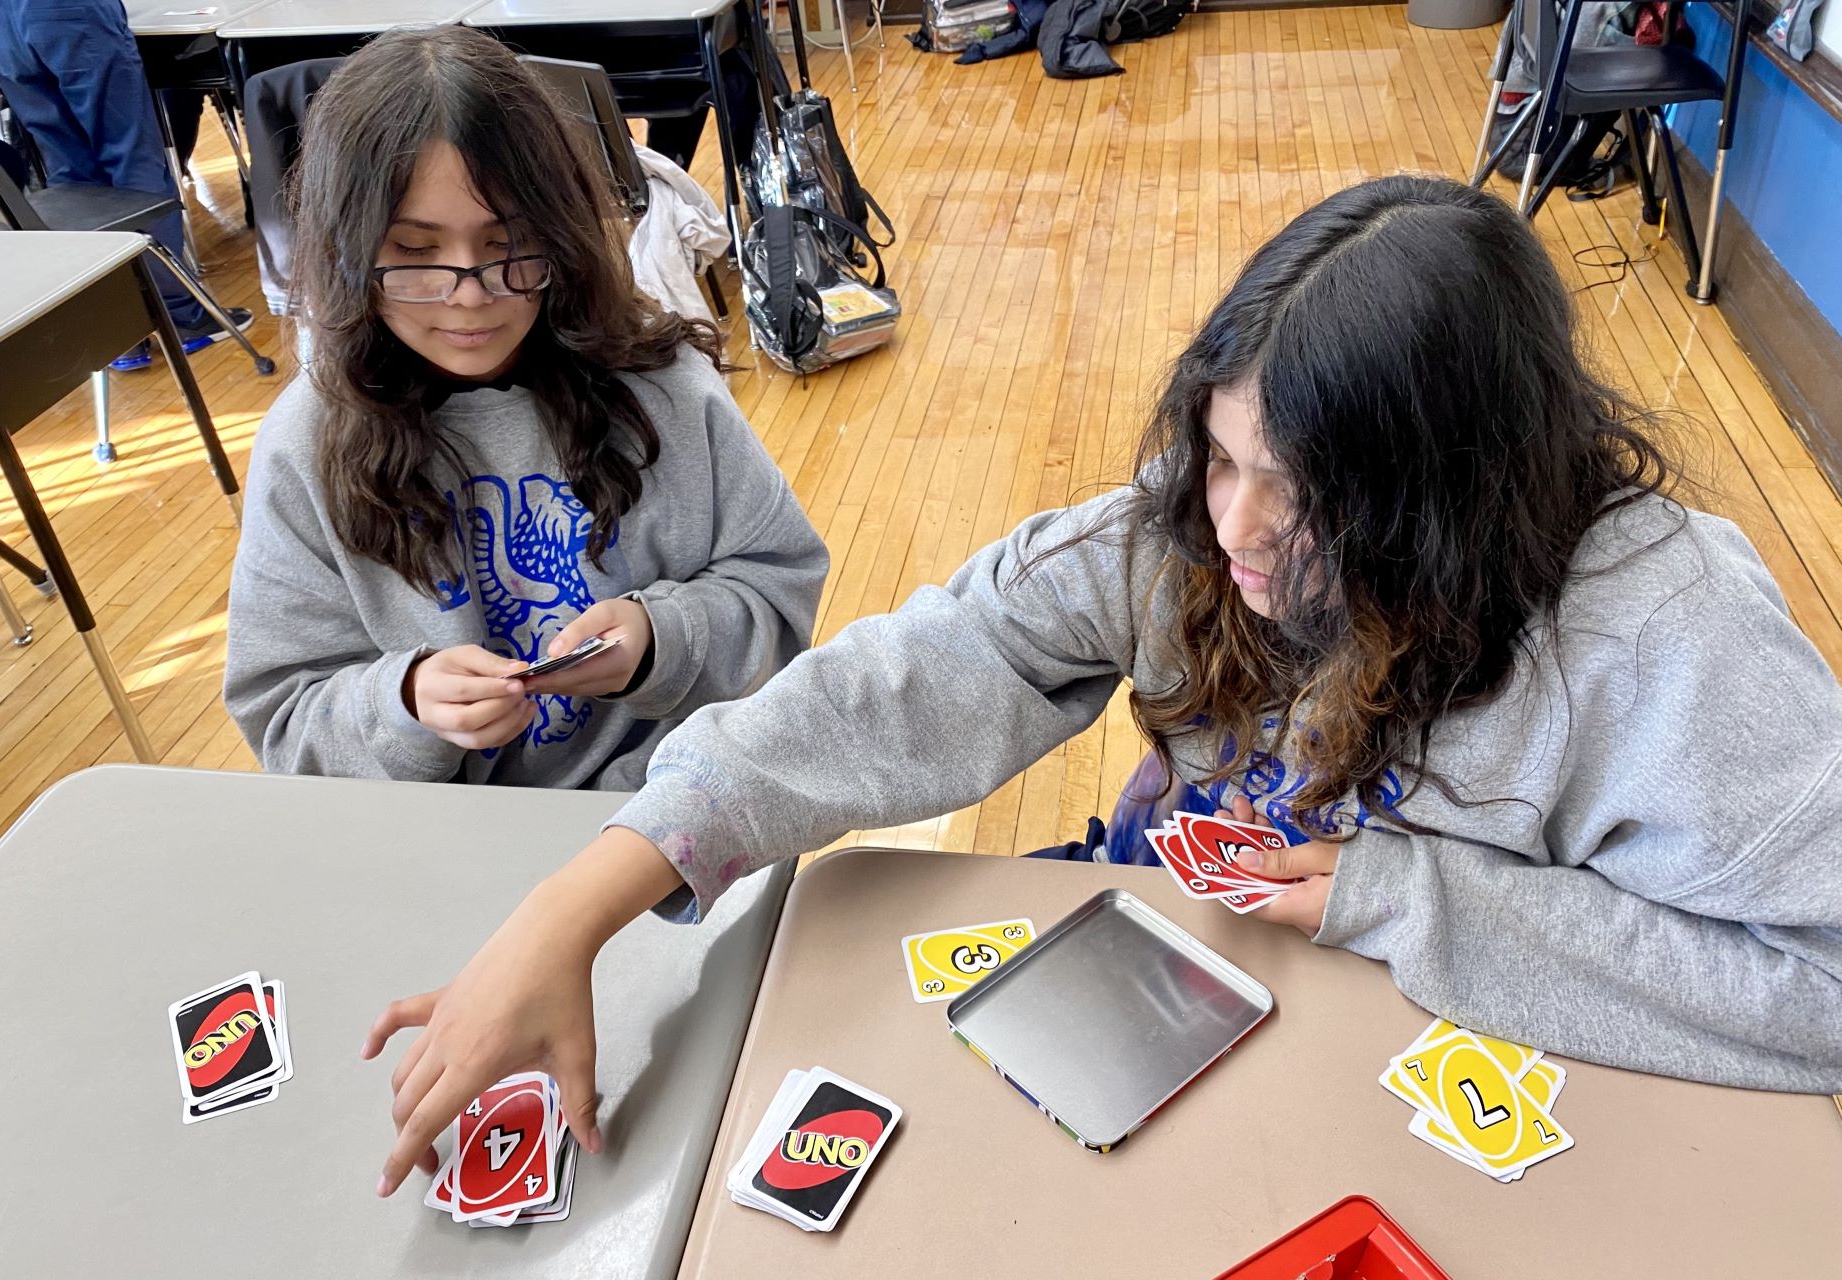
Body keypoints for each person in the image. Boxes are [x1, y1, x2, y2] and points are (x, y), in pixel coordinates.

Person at [363, 174, 1842, 1193]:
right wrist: (585, 897)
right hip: (1184, 985)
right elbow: (927, 666)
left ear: (1454, 503)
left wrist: (1408, 901)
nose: (1237, 531)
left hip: (1464, 1078)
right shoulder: (1192, 527)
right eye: (1220, 454)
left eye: (1309, 499)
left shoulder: (1668, 638)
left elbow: (1821, 987)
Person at [223, 27, 826, 796]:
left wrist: (659, 641)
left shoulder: (666, 390)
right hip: (438, 844)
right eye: (413, 253)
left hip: (676, 809)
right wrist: (402, 706)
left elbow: (779, 595)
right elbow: (282, 718)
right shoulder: (306, 444)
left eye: (509, 243)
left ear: (564, 231)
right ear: (348, 249)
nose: (470, 293)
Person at [0, 0, 249, 367]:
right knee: (130, 155)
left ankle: (117, 330)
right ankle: (178, 314)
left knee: (67, 169)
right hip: (69, 16)